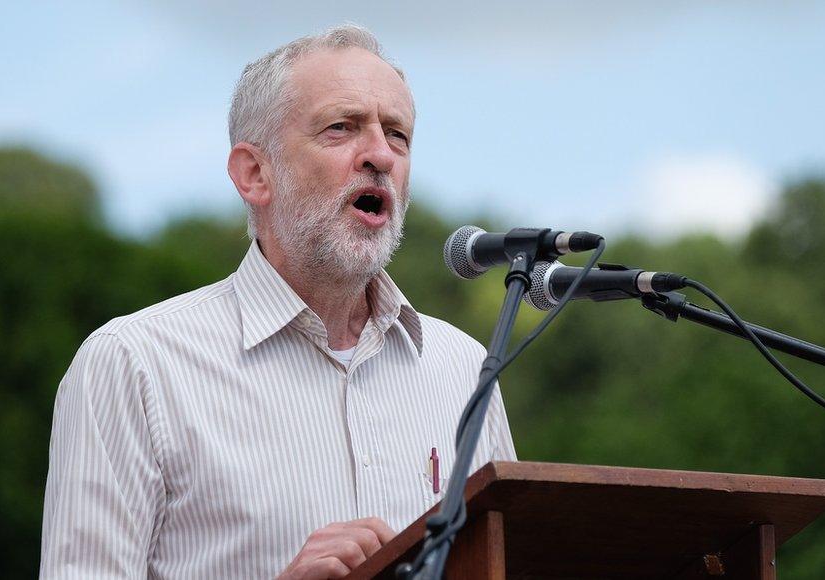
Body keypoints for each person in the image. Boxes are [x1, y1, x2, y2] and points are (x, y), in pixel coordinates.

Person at [39, 24, 516, 579]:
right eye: (342, 128)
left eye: (398, 135)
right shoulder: (133, 363)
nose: (381, 156)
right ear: (254, 173)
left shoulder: (461, 367)